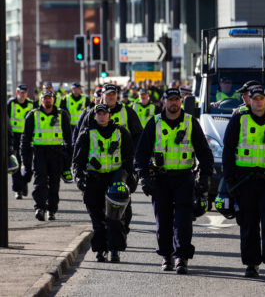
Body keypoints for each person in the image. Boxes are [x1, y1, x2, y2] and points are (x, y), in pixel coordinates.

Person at [135, 88, 214, 274]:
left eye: (176, 100)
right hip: (160, 180)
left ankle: (181, 257)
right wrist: (144, 178)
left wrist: (204, 177)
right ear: (164, 102)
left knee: (183, 220)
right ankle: (166, 256)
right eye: (170, 100)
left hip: (184, 179)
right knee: (162, 221)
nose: (173, 103)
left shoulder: (190, 122)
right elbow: (140, 155)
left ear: (181, 102)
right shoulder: (154, 123)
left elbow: (204, 153)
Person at [222, 85, 265, 278]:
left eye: (261, 98)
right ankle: (251, 264)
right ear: (249, 100)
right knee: (249, 224)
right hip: (245, 181)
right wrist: (229, 181)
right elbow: (228, 150)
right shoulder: (239, 118)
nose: (258, 101)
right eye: (255, 98)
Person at [72, 104, 135, 262]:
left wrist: (131, 178)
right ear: (95, 116)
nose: (101, 116)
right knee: (98, 219)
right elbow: (77, 161)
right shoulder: (86, 134)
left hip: (115, 179)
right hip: (93, 179)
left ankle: (114, 250)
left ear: (109, 115)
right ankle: (101, 250)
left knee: (115, 217)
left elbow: (129, 158)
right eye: (98, 113)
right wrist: (78, 178)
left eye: (104, 113)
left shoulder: (121, 132)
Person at [20, 90, 72, 221]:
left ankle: (52, 210)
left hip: (57, 153)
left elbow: (68, 138)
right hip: (39, 153)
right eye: (45, 98)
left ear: (53, 100)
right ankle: (40, 208)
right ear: (41, 100)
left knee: (54, 184)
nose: (47, 100)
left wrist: (68, 160)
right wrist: (25, 160)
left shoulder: (62, 115)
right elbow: (25, 138)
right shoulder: (32, 115)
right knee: (40, 182)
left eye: (50, 98)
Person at [8, 84, 34, 199]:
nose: (22, 95)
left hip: (28, 138)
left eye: (24, 93)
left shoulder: (32, 105)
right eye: (20, 92)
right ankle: (17, 190)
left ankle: (24, 183)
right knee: (16, 164)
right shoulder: (10, 104)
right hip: (14, 137)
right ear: (17, 93)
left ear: (26, 94)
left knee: (29, 166)